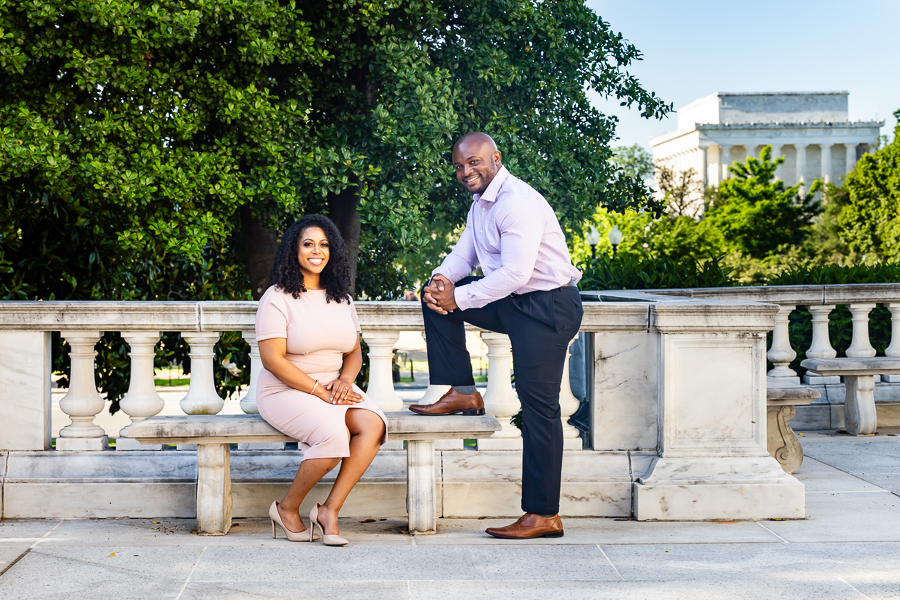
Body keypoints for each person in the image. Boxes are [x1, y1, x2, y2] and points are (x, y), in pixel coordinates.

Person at [410, 132, 584, 539]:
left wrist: (461, 297)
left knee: (538, 406)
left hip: (548, 307)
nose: (465, 171)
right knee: (432, 298)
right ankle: (463, 390)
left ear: (495, 159)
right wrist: (441, 282)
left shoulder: (516, 202)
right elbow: (464, 256)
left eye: (474, 162)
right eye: (458, 166)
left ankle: (544, 515)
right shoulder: (480, 206)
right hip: (516, 300)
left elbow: (516, 273)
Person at [255, 214, 387, 546]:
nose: (318, 251)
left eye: (324, 244)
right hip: (285, 389)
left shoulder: (341, 297)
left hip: (332, 385)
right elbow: (272, 359)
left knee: (374, 425)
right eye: (308, 244)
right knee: (333, 437)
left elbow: (354, 352)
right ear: (293, 250)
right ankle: (286, 508)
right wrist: (318, 390)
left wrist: (344, 380)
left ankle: (329, 510)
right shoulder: (277, 297)